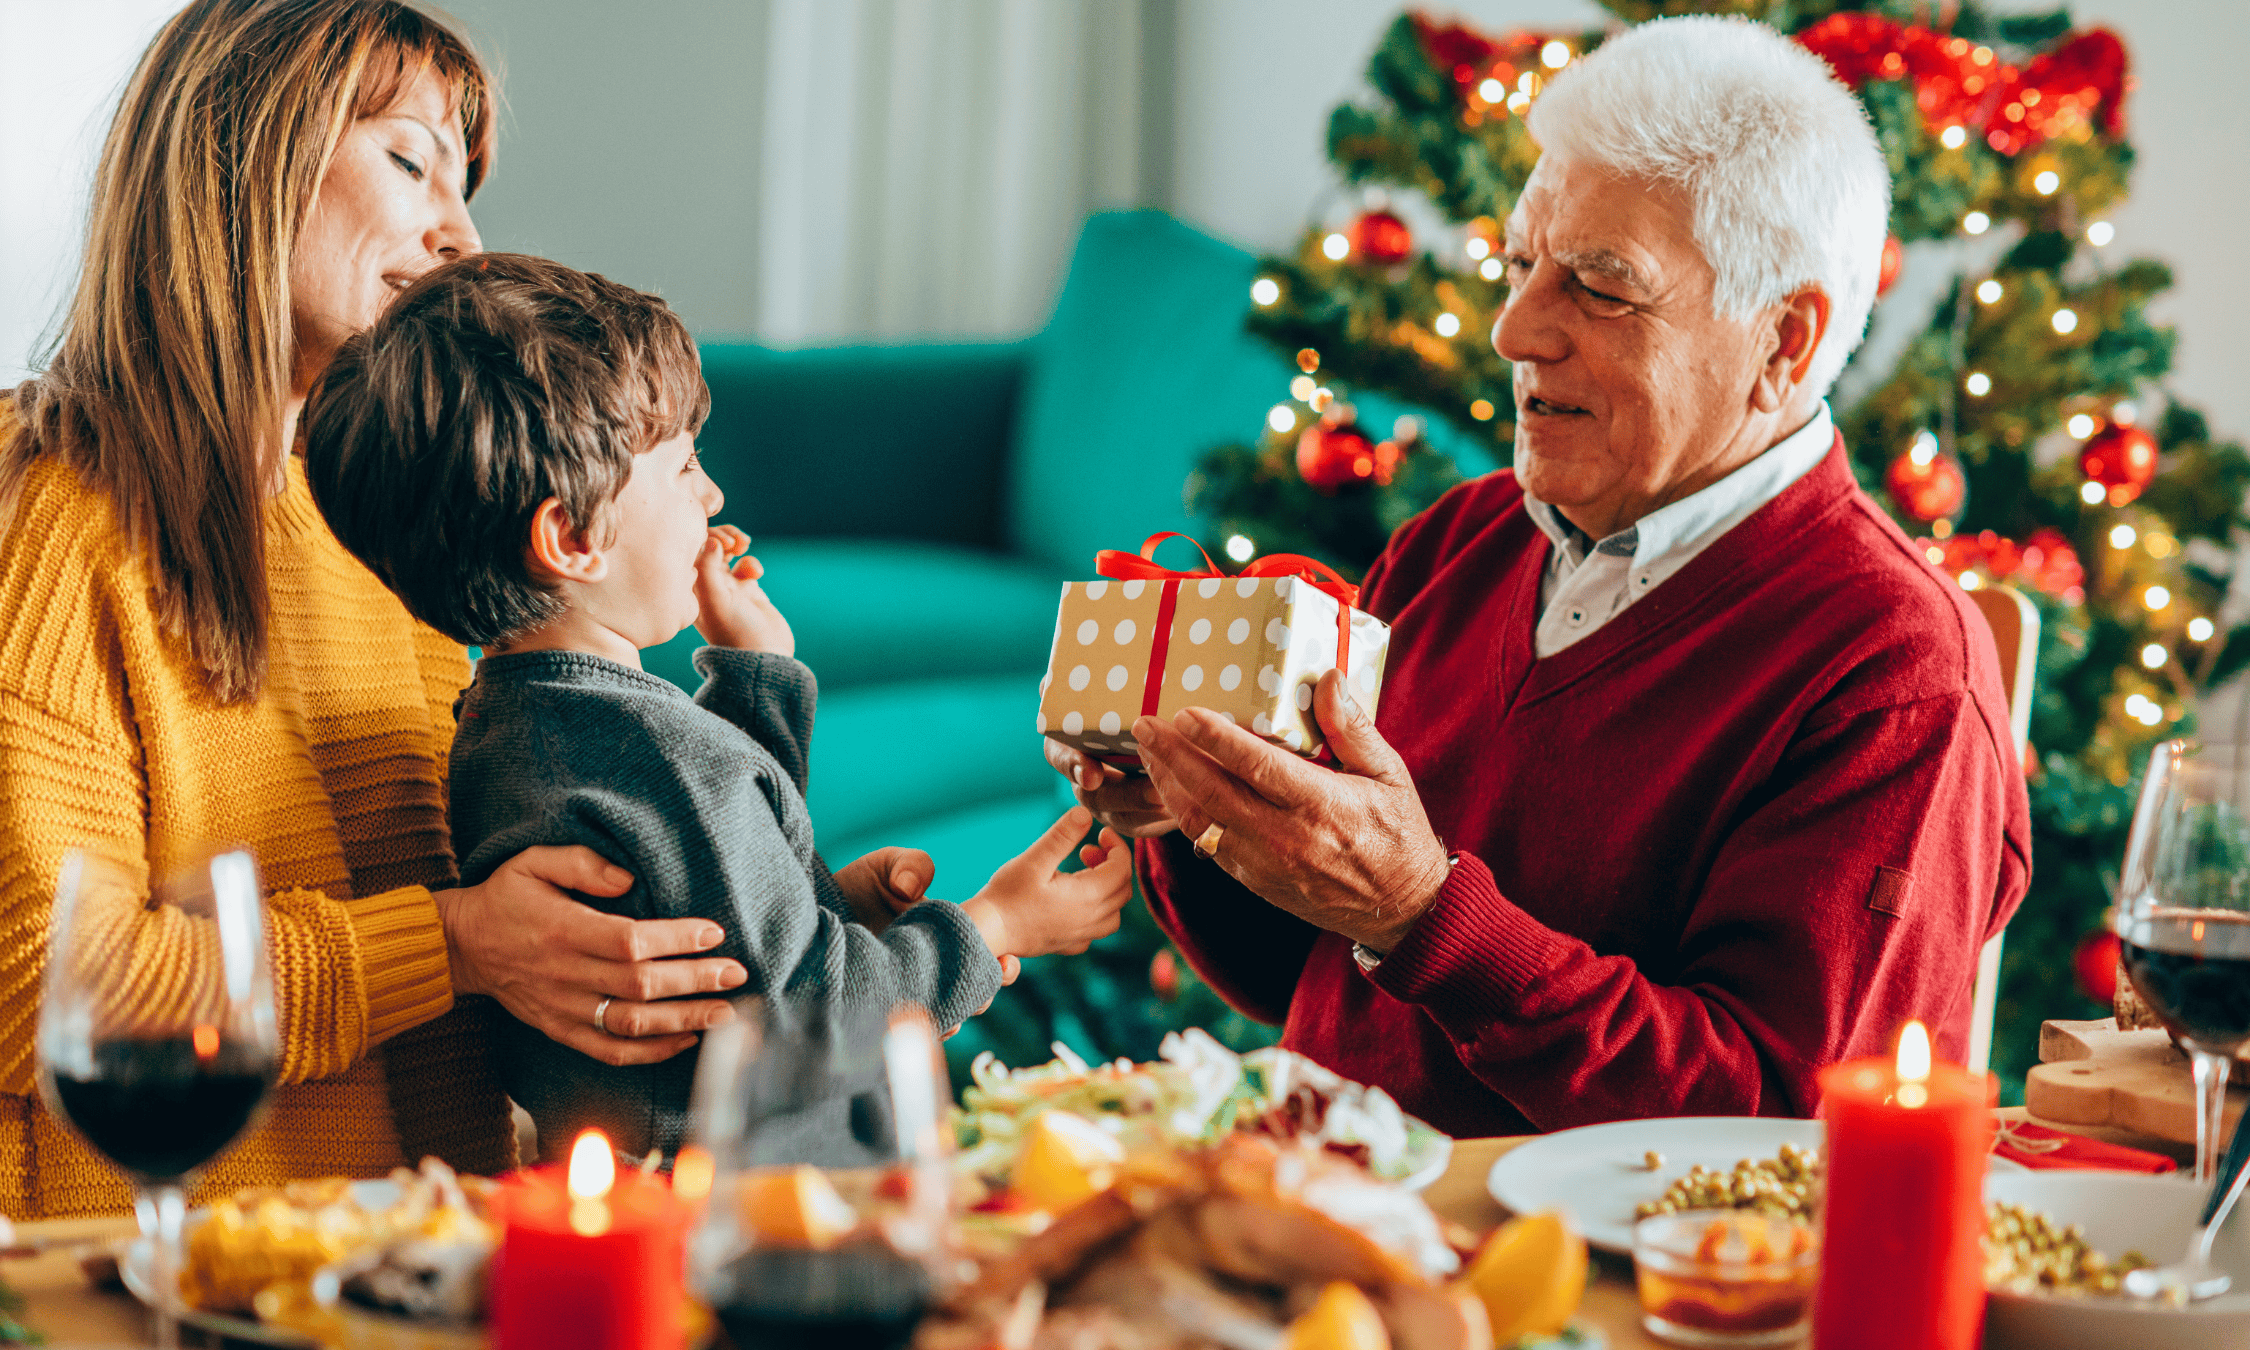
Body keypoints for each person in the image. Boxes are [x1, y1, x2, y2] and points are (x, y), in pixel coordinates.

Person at [1049, 16, 2031, 1136]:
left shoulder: (1898, 675)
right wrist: (1196, 817)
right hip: (1323, 1202)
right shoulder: (1460, 541)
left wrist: (1422, 915)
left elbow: (1775, 1131)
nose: (1515, 331)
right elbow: (1309, 981)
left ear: (1784, 341)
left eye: (1601, 288)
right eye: (1521, 265)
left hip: (1574, 1251)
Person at [0, 0, 804, 1216]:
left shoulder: (396, 526)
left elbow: (505, 923)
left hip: (419, 1253)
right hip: (161, 1266)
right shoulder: (55, 510)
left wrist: (758, 910)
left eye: (464, 186)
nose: (461, 237)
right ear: (246, 159)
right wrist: (457, 942)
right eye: (411, 162)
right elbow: (39, 991)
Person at [303, 253, 1133, 1163]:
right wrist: (996, 924)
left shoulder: (504, 729)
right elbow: (808, 1023)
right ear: (573, 537)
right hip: (760, 1201)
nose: (713, 496)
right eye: (685, 466)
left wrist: (758, 686)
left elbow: (718, 915)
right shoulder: (661, 755)